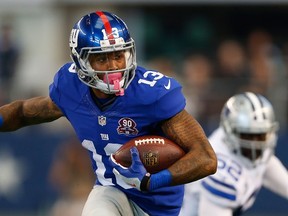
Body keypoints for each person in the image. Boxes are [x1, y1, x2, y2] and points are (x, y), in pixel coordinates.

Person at [0, 11, 217, 216]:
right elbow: (23, 112)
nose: (114, 66)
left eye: (118, 56)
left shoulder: (151, 94)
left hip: (161, 207)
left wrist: (152, 181)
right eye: (102, 59)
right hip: (112, 192)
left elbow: (206, 158)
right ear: (82, 62)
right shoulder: (69, 88)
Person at [179, 92, 288, 216]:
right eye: (248, 136)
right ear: (231, 132)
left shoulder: (254, 148)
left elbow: (266, 164)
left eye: (261, 135)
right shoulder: (219, 173)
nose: (256, 143)